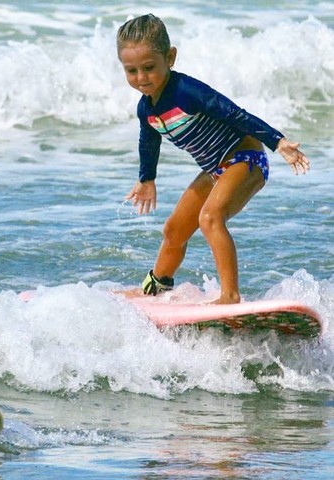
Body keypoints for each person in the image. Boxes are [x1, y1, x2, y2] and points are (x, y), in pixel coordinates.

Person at [117, 14, 310, 304]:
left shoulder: (187, 92)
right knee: (173, 230)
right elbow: (149, 140)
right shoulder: (146, 109)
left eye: (148, 67)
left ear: (170, 58)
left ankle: (230, 296)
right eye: (131, 71)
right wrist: (147, 179)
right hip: (215, 168)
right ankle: (156, 288)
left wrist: (277, 141)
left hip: (246, 158)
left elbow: (234, 114)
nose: (141, 78)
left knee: (210, 218)